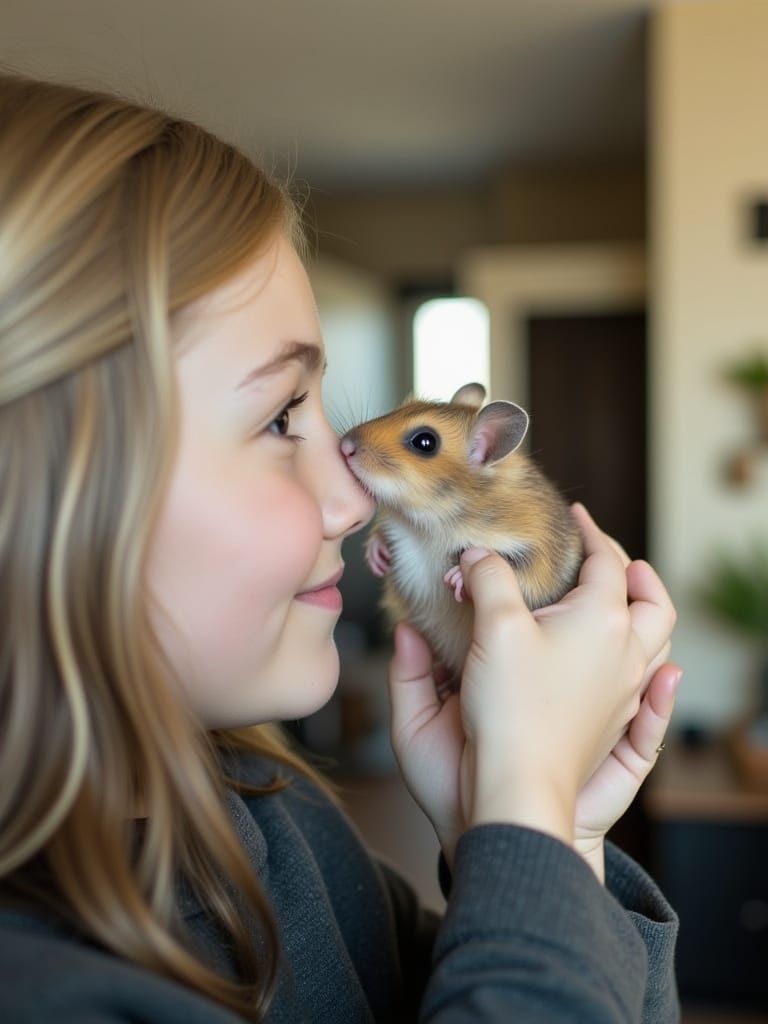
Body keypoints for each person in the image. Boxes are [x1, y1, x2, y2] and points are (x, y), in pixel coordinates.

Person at [0, 70, 681, 1023]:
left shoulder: (281, 816)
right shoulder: (44, 987)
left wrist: (548, 839)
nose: (352, 499)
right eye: (282, 417)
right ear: (32, 495)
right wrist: (526, 804)